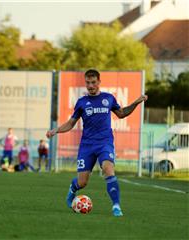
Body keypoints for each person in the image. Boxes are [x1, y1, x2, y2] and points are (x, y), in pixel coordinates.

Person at [46, 69, 147, 217]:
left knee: (108, 169)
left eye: (93, 82)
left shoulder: (108, 98)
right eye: (88, 82)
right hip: (87, 145)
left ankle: (116, 206)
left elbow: (122, 113)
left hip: (105, 143)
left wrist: (136, 102)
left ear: (99, 82)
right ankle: (72, 189)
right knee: (82, 182)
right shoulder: (81, 102)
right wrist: (56, 130)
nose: (91, 85)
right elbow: (71, 123)